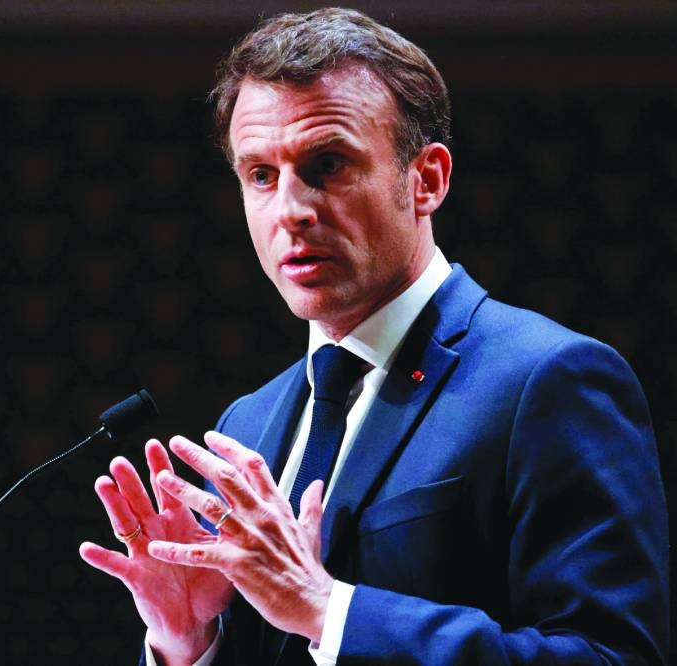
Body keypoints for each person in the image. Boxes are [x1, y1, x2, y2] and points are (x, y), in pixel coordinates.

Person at [79, 8, 669, 665]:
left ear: (427, 180)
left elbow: (613, 657)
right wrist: (188, 643)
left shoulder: (549, 381)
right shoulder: (246, 427)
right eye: (261, 176)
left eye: (327, 164)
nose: (291, 211)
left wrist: (328, 612)